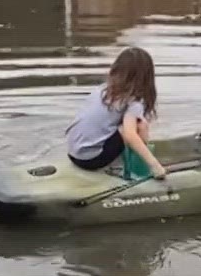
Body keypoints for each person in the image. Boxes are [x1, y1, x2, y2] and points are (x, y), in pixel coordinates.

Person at [66, 47, 167, 178]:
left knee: (127, 124)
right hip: (91, 160)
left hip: (72, 153)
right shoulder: (134, 100)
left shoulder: (102, 89)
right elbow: (130, 134)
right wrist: (156, 166)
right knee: (140, 125)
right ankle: (136, 168)